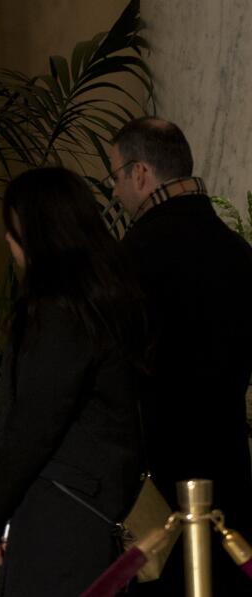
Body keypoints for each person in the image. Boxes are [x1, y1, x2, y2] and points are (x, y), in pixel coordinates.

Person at [0, 167, 144, 596]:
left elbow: (33, 430)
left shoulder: (60, 313)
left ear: (37, 234)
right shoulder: (105, 299)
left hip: (63, 520)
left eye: (12, 229)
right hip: (90, 508)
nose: (7, 241)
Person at [109, 117, 252, 595]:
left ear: (141, 173)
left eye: (116, 176)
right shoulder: (237, 251)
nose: (114, 192)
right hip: (230, 474)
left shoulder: (129, 260)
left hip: (157, 484)